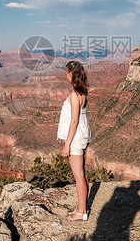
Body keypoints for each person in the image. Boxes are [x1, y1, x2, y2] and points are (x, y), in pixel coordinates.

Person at [57, 60, 91, 221]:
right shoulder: (83, 92)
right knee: (81, 175)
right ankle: (81, 208)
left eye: (66, 73)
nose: (66, 76)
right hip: (83, 135)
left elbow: (74, 120)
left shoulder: (74, 95)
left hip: (76, 138)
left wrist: (67, 144)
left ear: (71, 74)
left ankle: (82, 212)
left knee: (78, 175)